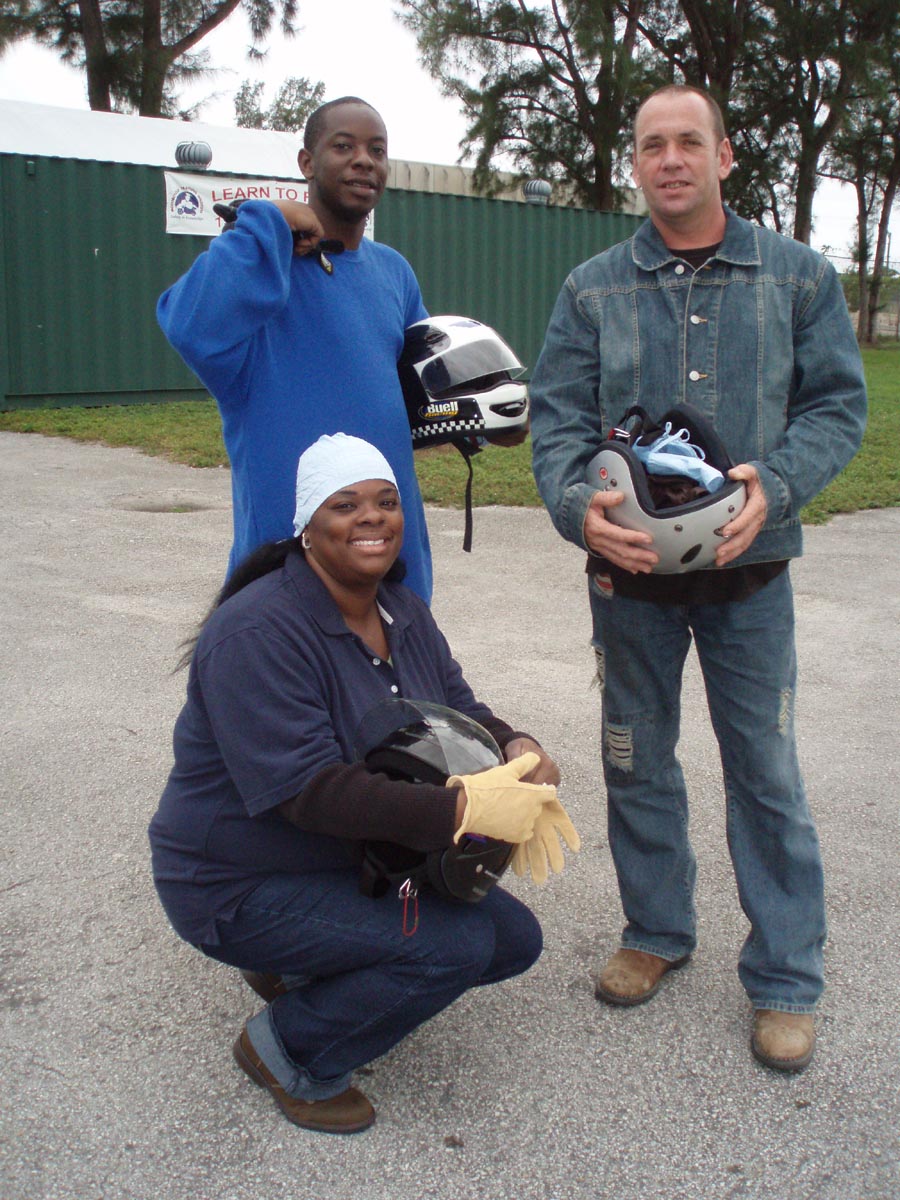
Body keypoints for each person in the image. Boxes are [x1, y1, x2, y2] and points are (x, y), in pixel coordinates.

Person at [529, 83, 867, 1073]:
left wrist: (782, 483)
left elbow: (837, 407)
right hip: (628, 583)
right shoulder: (592, 289)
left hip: (748, 578)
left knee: (765, 771)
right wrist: (579, 510)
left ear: (724, 156)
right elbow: (557, 421)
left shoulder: (798, 278)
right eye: (651, 145)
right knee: (636, 760)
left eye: (688, 141)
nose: (669, 159)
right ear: (635, 164)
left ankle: (786, 977)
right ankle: (656, 933)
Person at [149, 433, 579, 1133]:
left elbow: (457, 706)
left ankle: (304, 969)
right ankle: (288, 1050)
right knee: (455, 947)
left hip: (344, 857)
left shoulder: (401, 610)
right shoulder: (256, 633)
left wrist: (517, 748)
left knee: (511, 940)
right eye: (345, 505)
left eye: (386, 501)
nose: (372, 517)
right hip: (236, 880)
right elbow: (310, 792)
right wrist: (464, 808)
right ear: (307, 528)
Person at [157, 97, 434, 601]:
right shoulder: (262, 271)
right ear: (307, 162)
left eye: (377, 150)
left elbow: (420, 397)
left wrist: (478, 422)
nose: (364, 160)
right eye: (343, 146)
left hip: (391, 573)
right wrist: (266, 223)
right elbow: (189, 323)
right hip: (284, 580)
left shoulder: (394, 272)